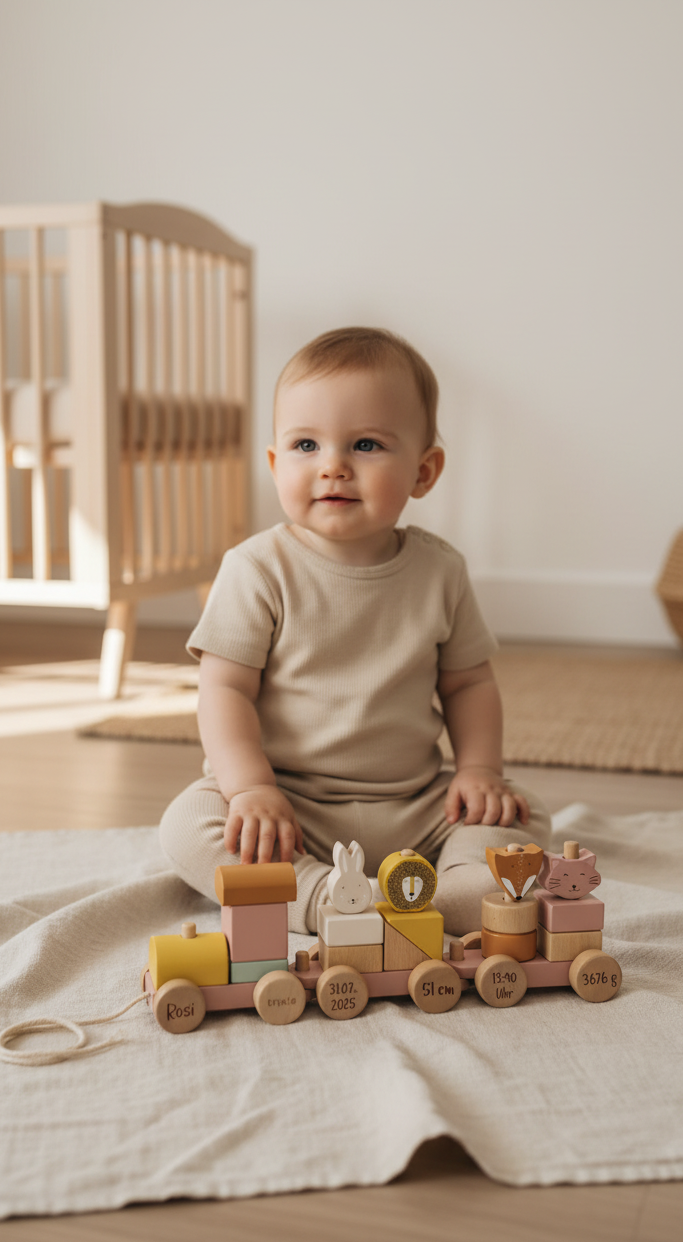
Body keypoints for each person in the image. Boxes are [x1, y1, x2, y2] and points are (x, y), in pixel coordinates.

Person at [159, 327, 550, 934]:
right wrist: (249, 788)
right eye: (306, 445)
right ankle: (319, 895)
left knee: (521, 814)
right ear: (274, 464)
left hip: (417, 805)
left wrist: (479, 772)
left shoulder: (440, 570)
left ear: (424, 471)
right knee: (189, 823)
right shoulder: (257, 569)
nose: (333, 465)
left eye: (366, 444)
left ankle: (456, 887)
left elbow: (470, 683)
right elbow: (223, 690)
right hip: (290, 806)